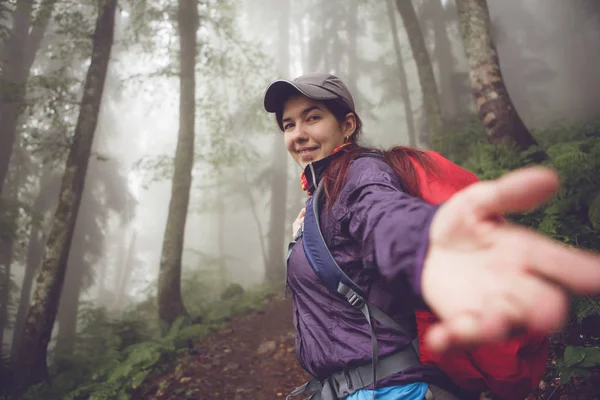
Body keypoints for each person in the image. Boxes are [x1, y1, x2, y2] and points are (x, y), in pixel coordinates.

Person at [262, 72, 600, 400]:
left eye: (313, 118)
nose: (298, 134)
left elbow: (384, 216)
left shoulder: (362, 174)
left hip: (391, 391)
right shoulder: (324, 198)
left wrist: (426, 242)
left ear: (347, 125)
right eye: (289, 125)